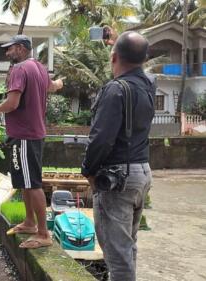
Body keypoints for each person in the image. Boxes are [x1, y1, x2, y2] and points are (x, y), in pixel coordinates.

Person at [81, 31, 155, 281]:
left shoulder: (115, 90)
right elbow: (132, 62)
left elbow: (101, 138)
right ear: (143, 59)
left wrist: (88, 171)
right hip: (142, 172)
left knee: (117, 256)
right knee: (127, 247)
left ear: (114, 58)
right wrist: (118, 45)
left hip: (118, 178)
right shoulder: (148, 86)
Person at [0, 35, 63, 249]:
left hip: (24, 135)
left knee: (32, 183)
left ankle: (43, 233)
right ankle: (30, 222)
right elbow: (52, 86)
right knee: (24, 181)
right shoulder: (39, 67)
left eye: (10, 49)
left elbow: (12, 103)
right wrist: (59, 83)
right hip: (35, 133)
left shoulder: (19, 70)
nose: (7, 53)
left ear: (21, 49)